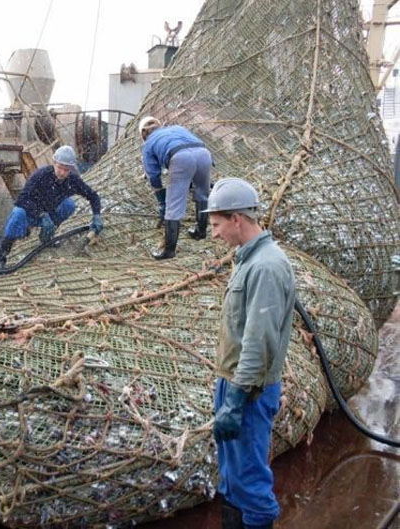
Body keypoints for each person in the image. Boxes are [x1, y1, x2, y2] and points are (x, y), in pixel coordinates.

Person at [205, 178, 296, 529]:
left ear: (237, 220)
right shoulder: (249, 259)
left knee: (250, 482)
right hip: (232, 384)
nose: (213, 234)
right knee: (232, 476)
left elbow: (258, 343)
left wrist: (236, 400)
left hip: (249, 392)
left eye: (216, 225)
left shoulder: (266, 266)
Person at [0, 145, 103, 271]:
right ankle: (1, 256)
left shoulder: (73, 180)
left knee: (69, 205)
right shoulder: (41, 175)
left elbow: (93, 196)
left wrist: (97, 215)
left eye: (66, 169)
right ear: (54, 163)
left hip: (50, 213)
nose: (62, 172)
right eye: (59, 167)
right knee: (18, 213)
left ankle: (47, 236)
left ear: (70, 169)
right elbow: (22, 199)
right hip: (32, 214)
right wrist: (42, 214)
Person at [138, 116, 213, 259]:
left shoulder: (148, 144)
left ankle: (169, 251)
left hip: (180, 158)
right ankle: (200, 231)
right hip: (204, 154)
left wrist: (161, 200)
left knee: (174, 205)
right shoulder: (177, 128)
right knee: (203, 194)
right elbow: (194, 143)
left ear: (143, 134)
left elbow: (153, 175)